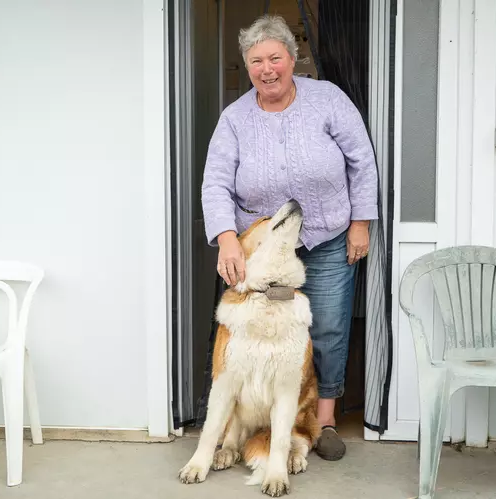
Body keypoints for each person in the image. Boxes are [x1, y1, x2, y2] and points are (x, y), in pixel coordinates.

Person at [200, 14, 378, 461]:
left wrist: (361, 221)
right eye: (256, 61)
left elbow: (362, 159)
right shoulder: (235, 118)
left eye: (274, 58)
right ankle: (248, 418)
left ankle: (323, 420)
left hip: (328, 236)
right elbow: (216, 182)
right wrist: (225, 237)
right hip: (263, 254)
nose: (266, 69)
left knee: (331, 328)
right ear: (247, 66)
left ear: (292, 59)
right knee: (257, 335)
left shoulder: (327, 99)